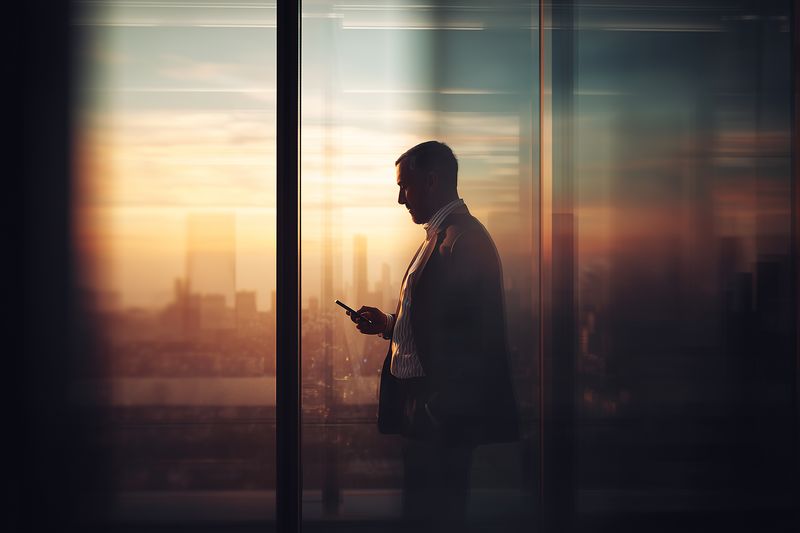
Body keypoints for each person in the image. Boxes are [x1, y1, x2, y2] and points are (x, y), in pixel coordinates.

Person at [347, 140, 519, 531]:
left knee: (436, 515)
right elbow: (445, 322)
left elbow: (478, 335)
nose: (399, 199)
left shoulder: (463, 240)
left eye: (404, 186)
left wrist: (440, 407)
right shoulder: (442, 237)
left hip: (439, 414)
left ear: (432, 181)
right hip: (428, 411)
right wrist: (389, 326)